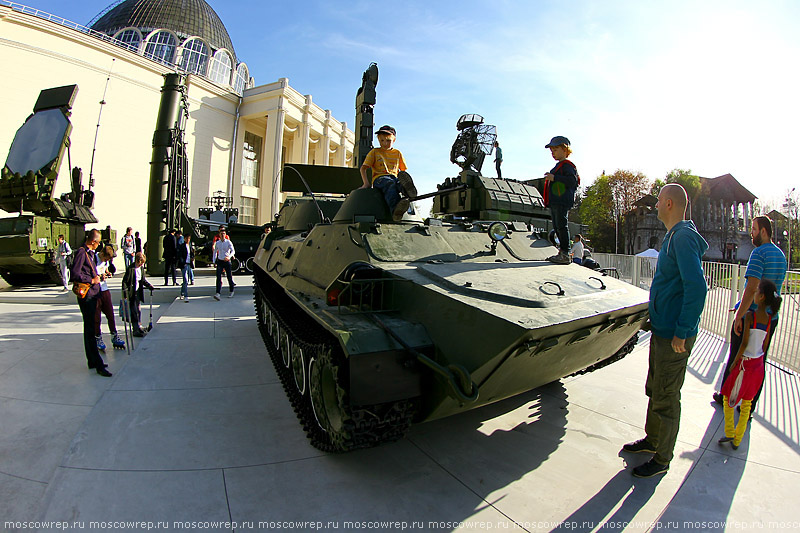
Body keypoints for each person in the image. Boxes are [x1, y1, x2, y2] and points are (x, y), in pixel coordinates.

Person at [622, 184, 708, 478]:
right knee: (656, 389)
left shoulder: (682, 238)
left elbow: (696, 288)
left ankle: (662, 458)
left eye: (658, 201)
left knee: (667, 397)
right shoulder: (674, 236)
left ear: (669, 204)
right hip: (663, 331)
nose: (655, 206)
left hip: (675, 336)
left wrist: (682, 331)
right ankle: (652, 440)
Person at [713, 215, 786, 412]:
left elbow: (752, 287)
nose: (751, 233)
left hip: (751, 318)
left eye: (753, 229)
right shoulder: (781, 256)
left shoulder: (759, 253)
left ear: (763, 231)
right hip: (770, 318)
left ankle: (727, 396)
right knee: (758, 360)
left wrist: (739, 315)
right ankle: (749, 404)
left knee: (737, 356)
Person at [719, 279, 781, 450]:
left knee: (727, 397)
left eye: (756, 292)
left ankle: (730, 431)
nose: (753, 294)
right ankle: (738, 439)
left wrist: (734, 363)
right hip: (758, 365)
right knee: (747, 402)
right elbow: (765, 345)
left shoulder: (749, 316)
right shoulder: (769, 319)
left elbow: (744, 343)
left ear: (760, 297)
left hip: (744, 364)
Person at [69, 229, 112, 377]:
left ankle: (93, 360)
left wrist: (100, 276)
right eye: (98, 242)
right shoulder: (82, 252)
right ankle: (97, 363)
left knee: (90, 329)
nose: (99, 245)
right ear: (93, 241)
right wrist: (91, 280)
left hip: (93, 294)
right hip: (87, 296)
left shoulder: (90, 254)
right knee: (91, 329)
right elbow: (74, 274)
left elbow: (88, 271)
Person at [359, 125, 416, 221]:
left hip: (394, 177)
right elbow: (363, 168)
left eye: (388, 140)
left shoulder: (397, 153)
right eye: (382, 141)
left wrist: (403, 182)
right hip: (379, 179)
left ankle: (409, 192)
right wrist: (366, 183)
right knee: (390, 185)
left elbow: (403, 172)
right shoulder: (375, 152)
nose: (385, 143)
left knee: (399, 183)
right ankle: (395, 211)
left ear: (394, 140)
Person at [543, 136, 579, 265]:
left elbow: (572, 181)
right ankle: (562, 252)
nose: (553, 153)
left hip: (561, 200)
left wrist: (554, 178)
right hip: (555, 201)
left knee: (562, 226)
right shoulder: (559, 166)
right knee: (557, 226)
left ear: (565, 150)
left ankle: (565, 253)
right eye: (551, 150)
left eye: (556, 149)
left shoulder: (568, 166)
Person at [94, 245, 124, 350]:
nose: (106, 261)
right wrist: (99, 276)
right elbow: (90, 274)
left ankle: (114, 335)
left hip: (104, 289)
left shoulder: (105, 261)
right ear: (102, 254)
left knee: (110, 314)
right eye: (106, 258)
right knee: (96, 317)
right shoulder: (93, 258)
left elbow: (104, 269)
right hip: (95, 291)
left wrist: (107, 273)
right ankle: (98, 337)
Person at [123, 251, 153, 337]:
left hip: (138, 292)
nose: (141, 265)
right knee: (134, 311)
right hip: (131, 292)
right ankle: (135, 329)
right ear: (137, 261)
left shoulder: (141, 269)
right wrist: (125, 293)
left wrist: (149, 285)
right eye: (140, 263)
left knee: (138, 310)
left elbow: (142, 280)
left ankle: (138, 326)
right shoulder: (131, 268)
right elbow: (125, 281)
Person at [213, 227, 236, 300]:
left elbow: (233, 251)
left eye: (224, 234)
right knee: (218, 277)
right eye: (221, 234)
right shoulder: (218, 243)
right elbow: (215, 252)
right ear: (219, 235)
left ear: (225, 235)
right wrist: (214, 261)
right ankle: (218, 293)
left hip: (227, 261)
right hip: (220, 261)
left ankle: (231, 290)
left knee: (229, 276)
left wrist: (229, 257)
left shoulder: (228, 242)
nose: (222, 235)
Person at [177, 234, 193, 302]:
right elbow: (179, 255)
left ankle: (182, 292)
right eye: (187, 238)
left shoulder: (190, 246)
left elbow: (191, 253)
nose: (188, 240)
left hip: (189, 264)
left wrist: (192, 258)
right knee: (185, 279)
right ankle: (186, 296)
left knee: (186, 280)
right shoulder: (182, 246)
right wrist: (182, 262)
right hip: (184, 264)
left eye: (189, 238)